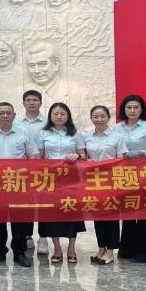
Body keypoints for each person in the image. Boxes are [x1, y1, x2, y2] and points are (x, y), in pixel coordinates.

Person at [0, 102, 38, 267]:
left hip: (18, 182)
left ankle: (19, 252)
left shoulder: (24, 133)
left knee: (19, 219)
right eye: (1, 113)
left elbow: (32, 156)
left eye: (8, 113)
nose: (5, 116)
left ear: (14, 115)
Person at [112, 95, 146, 263]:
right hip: (124, 174)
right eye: (129, 107)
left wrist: (141, 153)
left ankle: (142, 252)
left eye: (136, 107)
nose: (132, 111)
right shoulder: (116, 128)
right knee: (128, 210)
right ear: (123, 109)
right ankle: (126, 248)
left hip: (145, 173)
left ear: (141, 109)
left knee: (145, 212)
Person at [37, 103, 86, 264]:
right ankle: (57, 249)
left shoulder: (75, 133)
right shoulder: (43, 133)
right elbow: (39, 158)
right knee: (53, 213)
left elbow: (83, 155)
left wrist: (77, 156)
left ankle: (71, 248)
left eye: (62, 114)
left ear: (68, 116)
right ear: (50, 115)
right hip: (50, 178)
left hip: (70, 177)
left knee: (71, 211)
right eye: (55, 114)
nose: (59, 117)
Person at [84, 106, 127, 265]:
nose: (99, 119)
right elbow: (84, 157)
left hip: (111, 181)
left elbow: (121, 159)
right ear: (91, 118)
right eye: (95, 116)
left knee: (111, 216)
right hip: (93, 182)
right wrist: (87, 161)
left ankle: (110, 250)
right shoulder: (86, 137)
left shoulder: (117, 137)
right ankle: (101, 247)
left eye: (103, 116)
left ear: (108, 118)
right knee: (98, 217)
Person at [17, 90, 48, 254]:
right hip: (23, 170)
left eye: (35, 100)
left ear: (40, 103)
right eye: (28, 100)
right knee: (26, 204)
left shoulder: (48, 121)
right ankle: (27, 235)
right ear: (23, 103)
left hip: (44, 169)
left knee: (43, 204)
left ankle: (43, 237)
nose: (31, 102)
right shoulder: (16, 122)